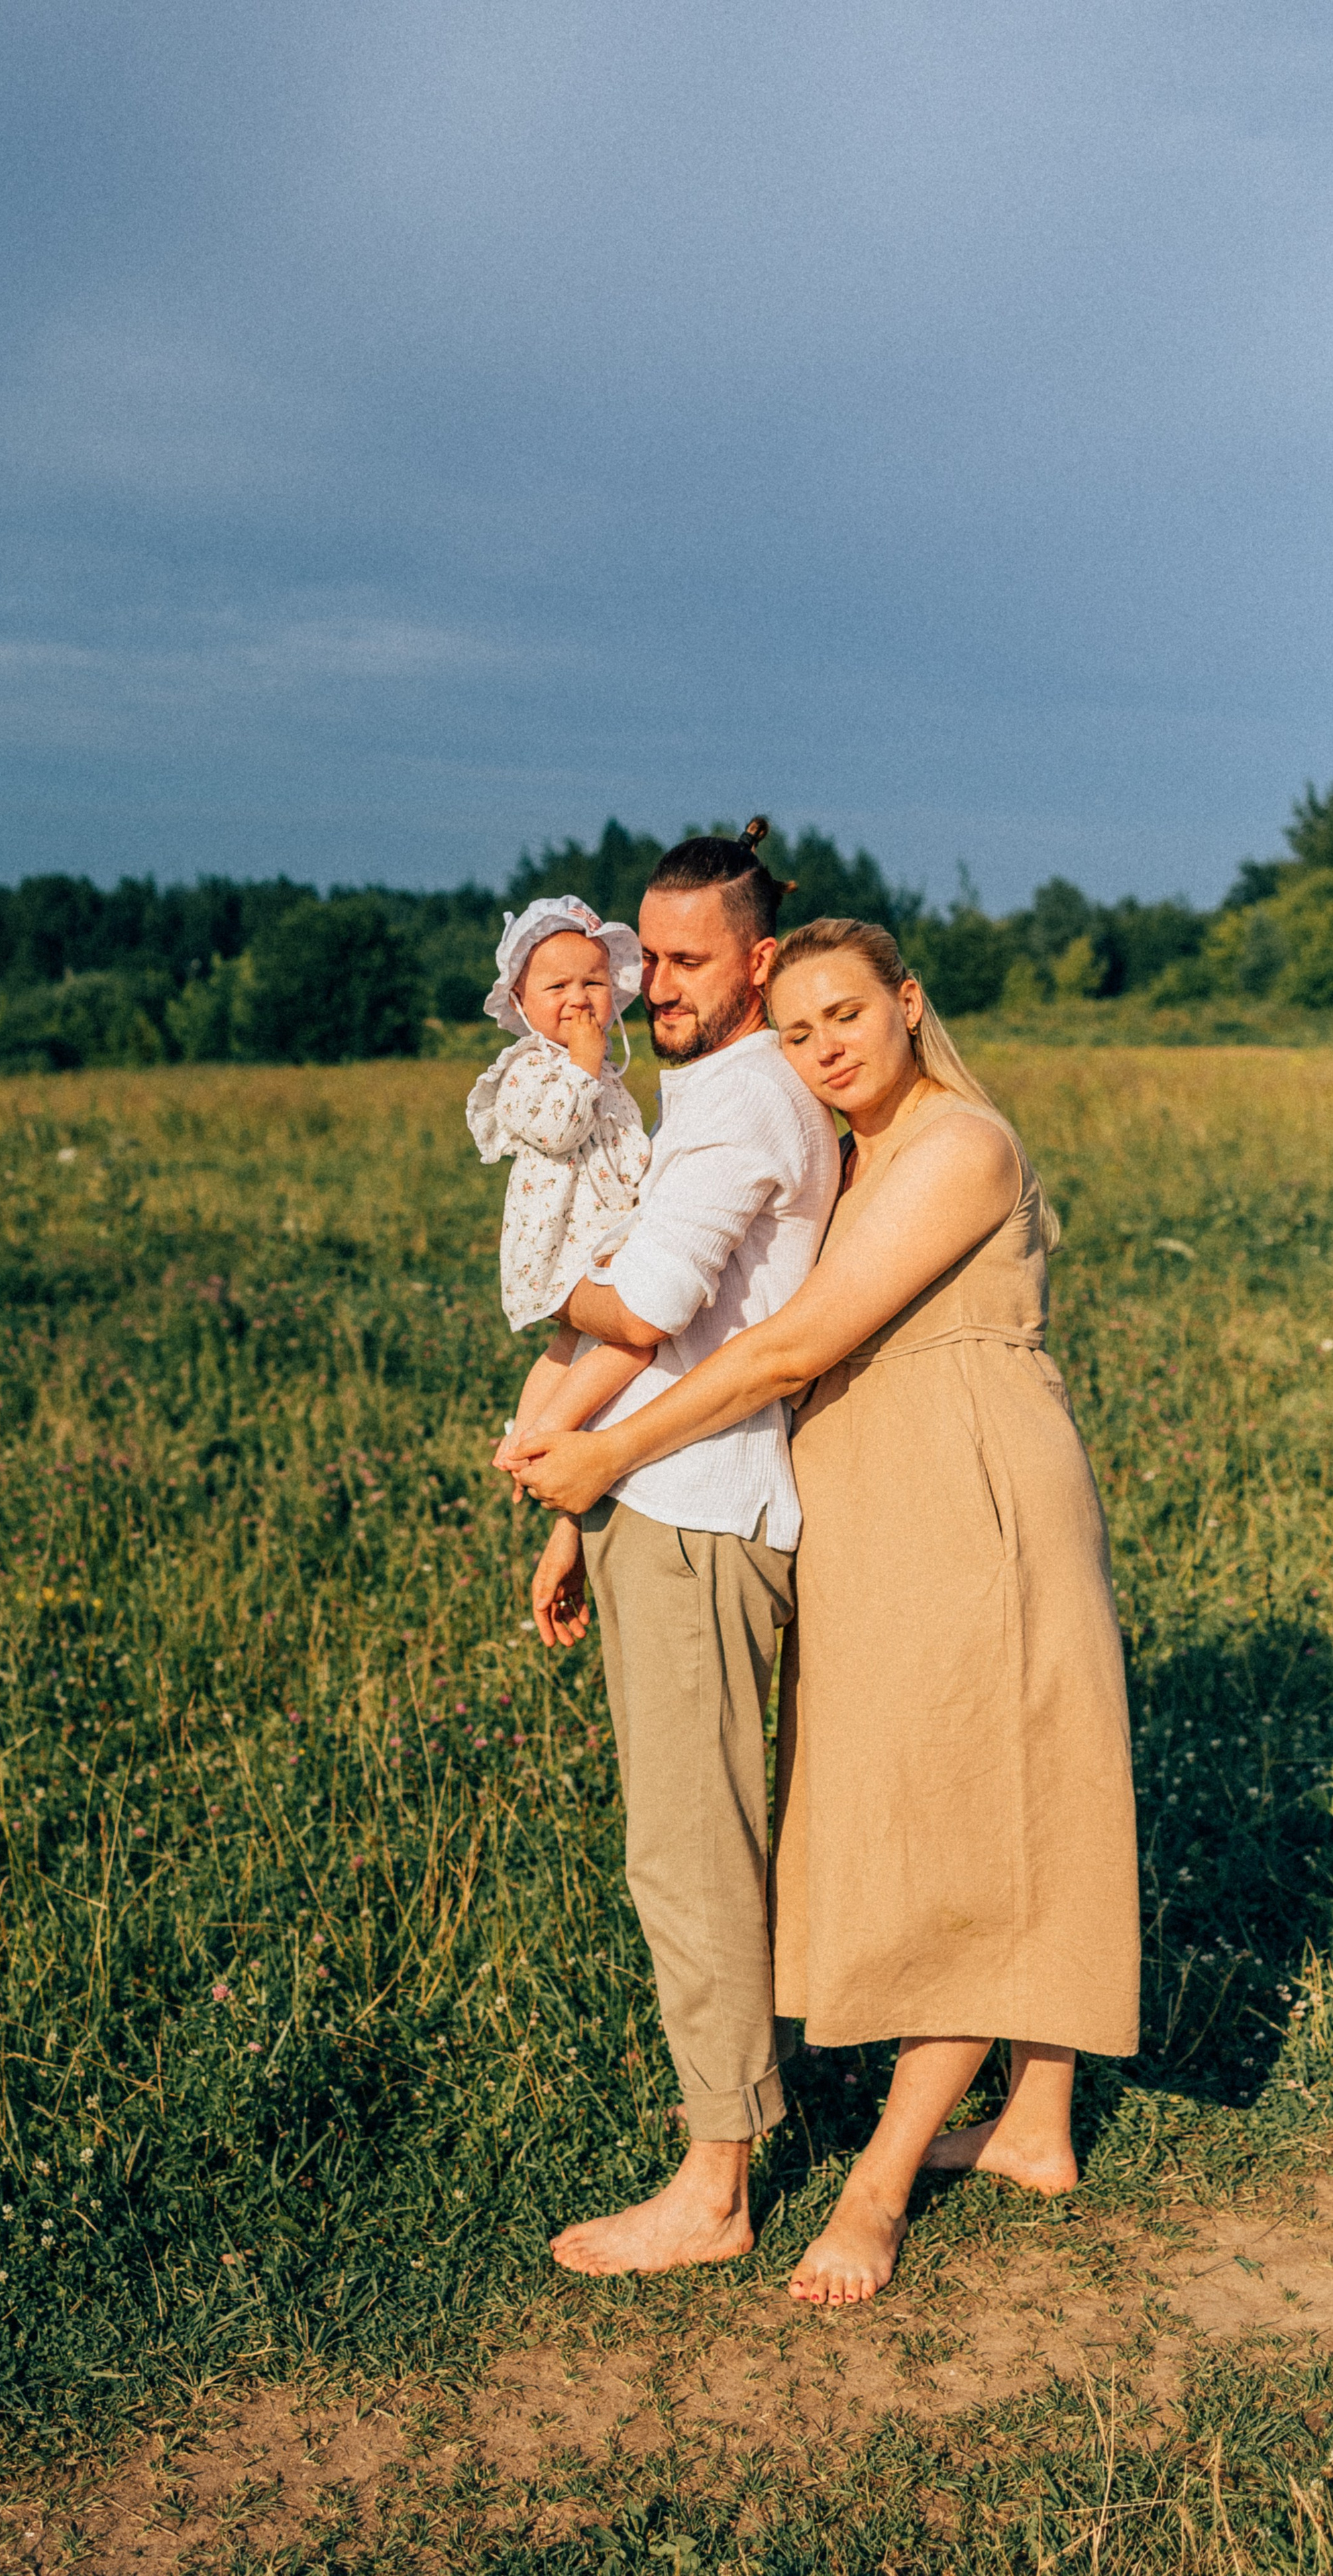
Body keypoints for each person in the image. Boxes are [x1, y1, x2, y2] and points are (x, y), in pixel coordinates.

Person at [513, 916, 1141, 2306]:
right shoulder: (857, 1153)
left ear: (908, 1004)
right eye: (796, 1033)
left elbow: (794, 1343)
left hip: (969, 1501)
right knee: (971, 1796)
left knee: (973, 1823)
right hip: (887, 1512)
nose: (824, 1052)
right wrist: (573, 1504)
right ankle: (1033, 2127)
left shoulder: (957, 1146)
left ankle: (869, 2194)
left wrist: (605, 1458)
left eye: (846, 1017)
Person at [508, 822, 841, 2277]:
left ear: (760, 959)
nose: (655, 988)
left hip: (705, 1510)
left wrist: (542, 1381)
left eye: (689, 961)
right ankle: (728, 2134)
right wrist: (579, 1509)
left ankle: (715, 2187)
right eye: (650, 959)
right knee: (682, 1837)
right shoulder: (710, 1091)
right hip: (656, 1497)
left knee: (690, 1849)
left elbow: (643, 1307)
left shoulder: (743, 1101)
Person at [468, 895, 655, 1446]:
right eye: (557, 988)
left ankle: (525, 1439)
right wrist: (583, 1062)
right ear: (521, 1002)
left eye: (593, 984)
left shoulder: (600, 1070)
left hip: (601, 1234)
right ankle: (545, 1437)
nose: (578, 1000)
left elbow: (624, 1146)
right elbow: (558, 1128)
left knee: (572, 1348)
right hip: (561, 1244)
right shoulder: (526, 1070)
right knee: (633, 1339)